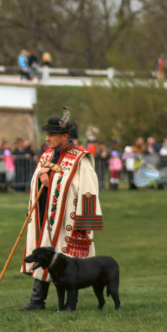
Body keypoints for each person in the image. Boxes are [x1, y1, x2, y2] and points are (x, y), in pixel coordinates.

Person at [18, 108, 103, 310]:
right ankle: (37, 300)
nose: (47, 138)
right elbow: (40, 181)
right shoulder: (47, 155)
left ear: (65, 136)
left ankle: (65, 303)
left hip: (67, 219)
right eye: (46, 134)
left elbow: (89, 191)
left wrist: (85, 222)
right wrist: (41, 179)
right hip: (44, 216)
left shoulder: (80, 159)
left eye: (51, 135)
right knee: (43, 255)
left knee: (64, 261)